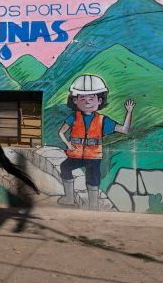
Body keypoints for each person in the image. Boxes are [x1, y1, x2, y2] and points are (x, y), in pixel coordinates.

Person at [57, 74, 135, 210]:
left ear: (99, 101)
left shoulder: (103, 120)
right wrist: (68, 144)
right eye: (82, 98)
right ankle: (69, 198)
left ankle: (93, 204)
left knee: (93, 177)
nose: (87, 101)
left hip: (93, 156)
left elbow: (124, 130)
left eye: (91, 98)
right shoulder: (73, 117)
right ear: (75, 101)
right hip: (76, 154)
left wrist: (129, 112)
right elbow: (61, 132)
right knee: (65, 167)